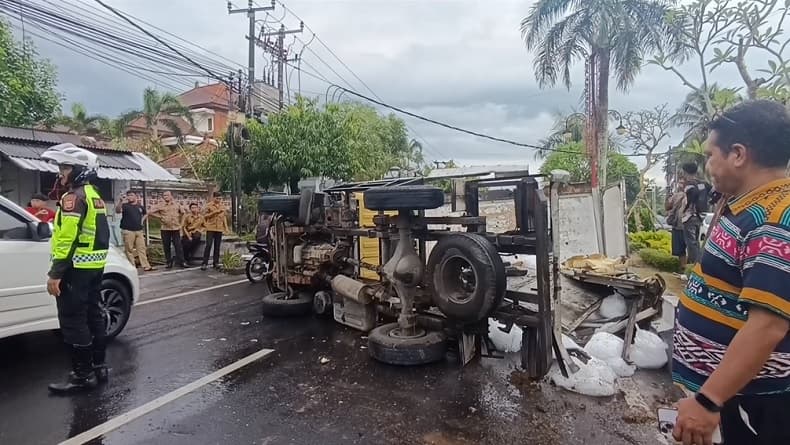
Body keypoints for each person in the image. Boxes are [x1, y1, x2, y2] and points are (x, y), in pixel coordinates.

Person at [672, 100, 790, 445]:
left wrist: (709, 400)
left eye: (711, 155)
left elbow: (768, 325)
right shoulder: (749, 207)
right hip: (739, 398)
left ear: (738, 154)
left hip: (758, 405)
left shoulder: (773, 218)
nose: (708, 165)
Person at [40, 143, 111, 394]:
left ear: (80, 169)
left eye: (65, 167)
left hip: (76, 268)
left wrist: (56, 273)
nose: (60, 173)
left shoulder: (73, 198)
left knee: (73, 320)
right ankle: (99, 367)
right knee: (93, 315)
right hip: (94, 266)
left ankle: (82, 376)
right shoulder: (94, 195)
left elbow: (67, 237)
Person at [678, 162, 710, 265]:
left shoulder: (689, 185)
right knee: (696, 242)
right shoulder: (704, 184)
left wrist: (682, 211)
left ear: (685, 171)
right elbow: (715, 193)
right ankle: (698, 263)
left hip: (689, 217)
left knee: (691, 243)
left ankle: (694, 266)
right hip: (701, 216)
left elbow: (688, 201)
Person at [116, 191, 154, 272]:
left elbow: (146, 213)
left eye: (131, 195)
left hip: (139, 231)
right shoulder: (125, 205)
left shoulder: (139, 206)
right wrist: (120, 201)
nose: (129, 197)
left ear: (135, 196)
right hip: (128, 231)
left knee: (142, 248)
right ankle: (132, 267)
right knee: (129, 249)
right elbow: (118, 211)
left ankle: (146, 266)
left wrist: (142, 221)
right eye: (128, 195)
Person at [149, 190, 187, 269]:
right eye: (164, 195)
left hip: (175, 228)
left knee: (178, 245)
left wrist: (181, 224)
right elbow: (150, 212)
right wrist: (160, 217)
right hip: (165, 228)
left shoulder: (176, 204)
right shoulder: (160, 205)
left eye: (167, 195)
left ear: (171, 196)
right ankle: (168, 262)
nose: (166, 197)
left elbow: (183, 213)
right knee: (166, 246)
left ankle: (182, 261)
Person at [201, 192, 228, 270]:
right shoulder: (209, 205)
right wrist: (214, 212)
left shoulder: (222, 206)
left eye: (220, 198)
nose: (219, 200)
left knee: (217, 246)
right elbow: (204, 216)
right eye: (217, 198)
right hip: (210, 228)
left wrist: (226, 228)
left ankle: (215, 263)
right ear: (214, 198)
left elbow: (224, 218)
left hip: (219, 228)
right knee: (208, 245)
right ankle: (204, 263)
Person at [665, 181, 688, 269]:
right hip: (678, 225)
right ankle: (683, 267)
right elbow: (667, 207)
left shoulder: (689, 194)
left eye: (682, 183)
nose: (680, 185)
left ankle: (688, 268)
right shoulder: (676, 195)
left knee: (688, 249)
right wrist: (667, 196)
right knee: (680, 250)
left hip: (686, 226)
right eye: (680, 183)